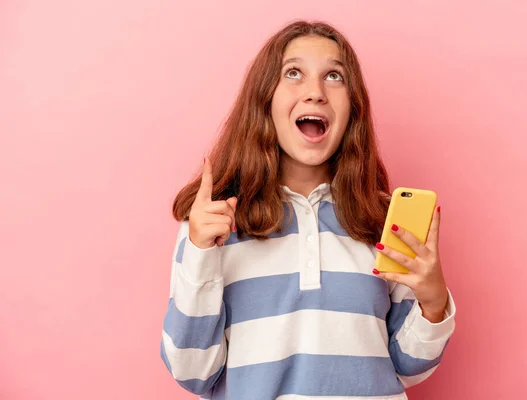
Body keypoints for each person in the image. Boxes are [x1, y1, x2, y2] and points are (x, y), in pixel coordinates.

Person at [160, 20, 456, 400]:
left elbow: (407, 367)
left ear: (353, 108)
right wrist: (201, 254)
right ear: (264, 99)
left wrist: (433, 303)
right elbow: (192, 372)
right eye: (294, 73)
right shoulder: (212, 224)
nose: (315, 92)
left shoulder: (380, 220)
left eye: (334, 76)